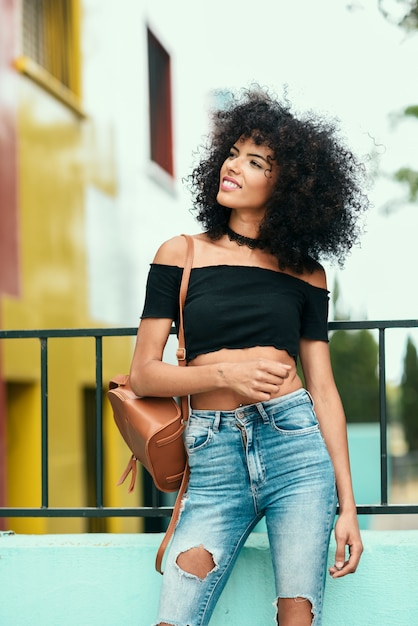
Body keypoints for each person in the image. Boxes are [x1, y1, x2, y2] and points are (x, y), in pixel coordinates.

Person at [129, 86, 367, 626]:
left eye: (255, 161)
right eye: (232, 153)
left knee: (297, 618)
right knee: (177, 618)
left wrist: (347, 507)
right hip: (212, 456)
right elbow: (144, 373)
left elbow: (323, 388)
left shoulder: (306, 274)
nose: (233, 166)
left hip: (296, 449)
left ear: (288, 186)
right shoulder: (180, 254)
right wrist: (225, 374)